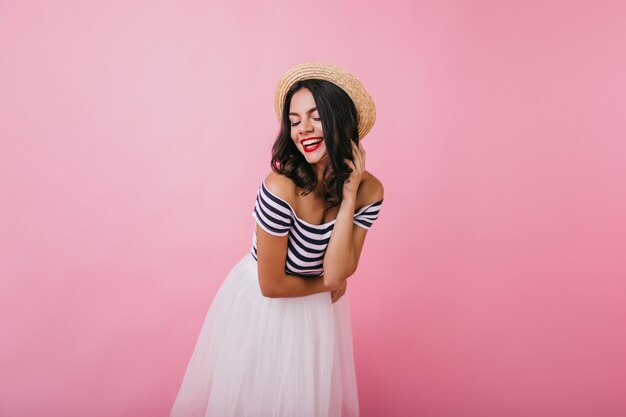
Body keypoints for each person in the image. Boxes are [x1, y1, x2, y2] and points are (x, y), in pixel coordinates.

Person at [170, 62, 385, 417]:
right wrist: (328, 287)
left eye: (315, 116)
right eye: (295, 120)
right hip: (264, 308)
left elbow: (338, 272)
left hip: (314, 313)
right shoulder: (279, 187)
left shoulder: (369, 191)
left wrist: (348, 201)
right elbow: (272, 285)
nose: (304, 129)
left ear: (340, 119)